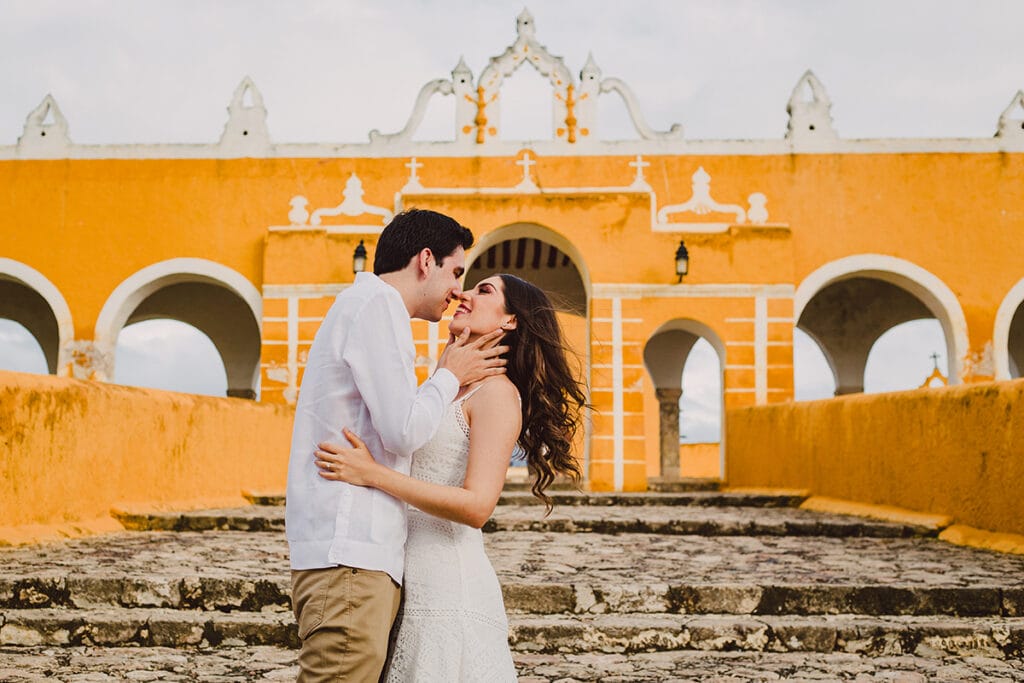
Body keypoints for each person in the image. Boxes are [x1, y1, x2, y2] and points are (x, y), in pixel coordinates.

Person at [315, 273, 588, 682]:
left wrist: (373, 474)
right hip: (406, 574)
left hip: (448, 582)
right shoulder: (446, 385)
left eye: (484, 290)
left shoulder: (496, 393)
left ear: (511, 320)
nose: (464, 293)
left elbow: (478, 506)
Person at [285, 209, 509, 682]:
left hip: (371, 561)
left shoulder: (370, 307)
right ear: (425, 261)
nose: (458, 291)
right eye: (456, 273)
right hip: (351, 556)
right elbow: (404, 431)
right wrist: (449, 375)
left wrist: (449, 374)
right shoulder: (378, 305)